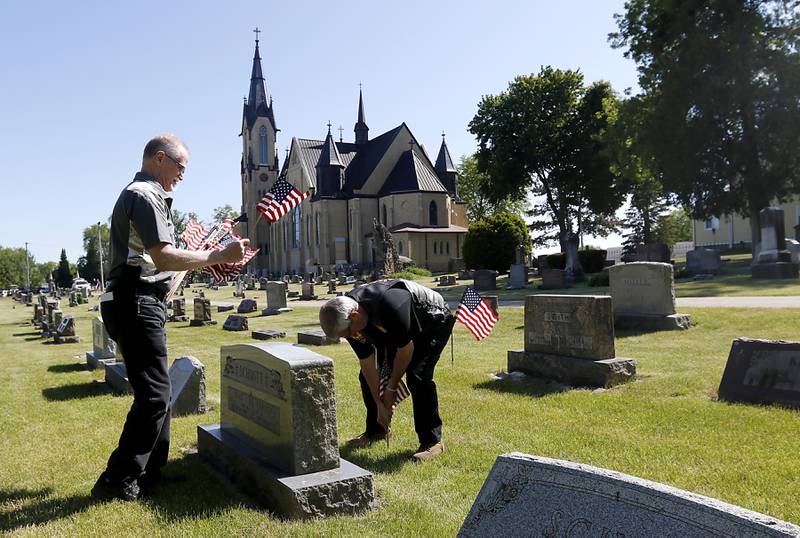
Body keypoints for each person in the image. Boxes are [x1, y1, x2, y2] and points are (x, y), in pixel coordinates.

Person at [92, 133, 249, 502]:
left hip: (138, 299)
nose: (182, 175)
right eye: (180, 167)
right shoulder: (144, 195)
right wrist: (216, 256)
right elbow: (162, 257)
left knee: (156, 391)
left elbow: (158, 262)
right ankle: (117, 479)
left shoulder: (147, 196)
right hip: (135, 300)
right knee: (154, 396)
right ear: (159, 159)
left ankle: (149, 472)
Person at [319, 279, 455, 462]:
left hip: (432, 320)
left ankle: (432, 442)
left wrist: (391, 389)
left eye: (348, 333)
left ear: (355, 315)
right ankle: (377, 431)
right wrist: (380, 405)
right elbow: (368, 363)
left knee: (417, 375)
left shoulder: (391, 304)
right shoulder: (347, 317)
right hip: (393, 328)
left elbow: (405, 351)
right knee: (366, 377)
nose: (351, 337)